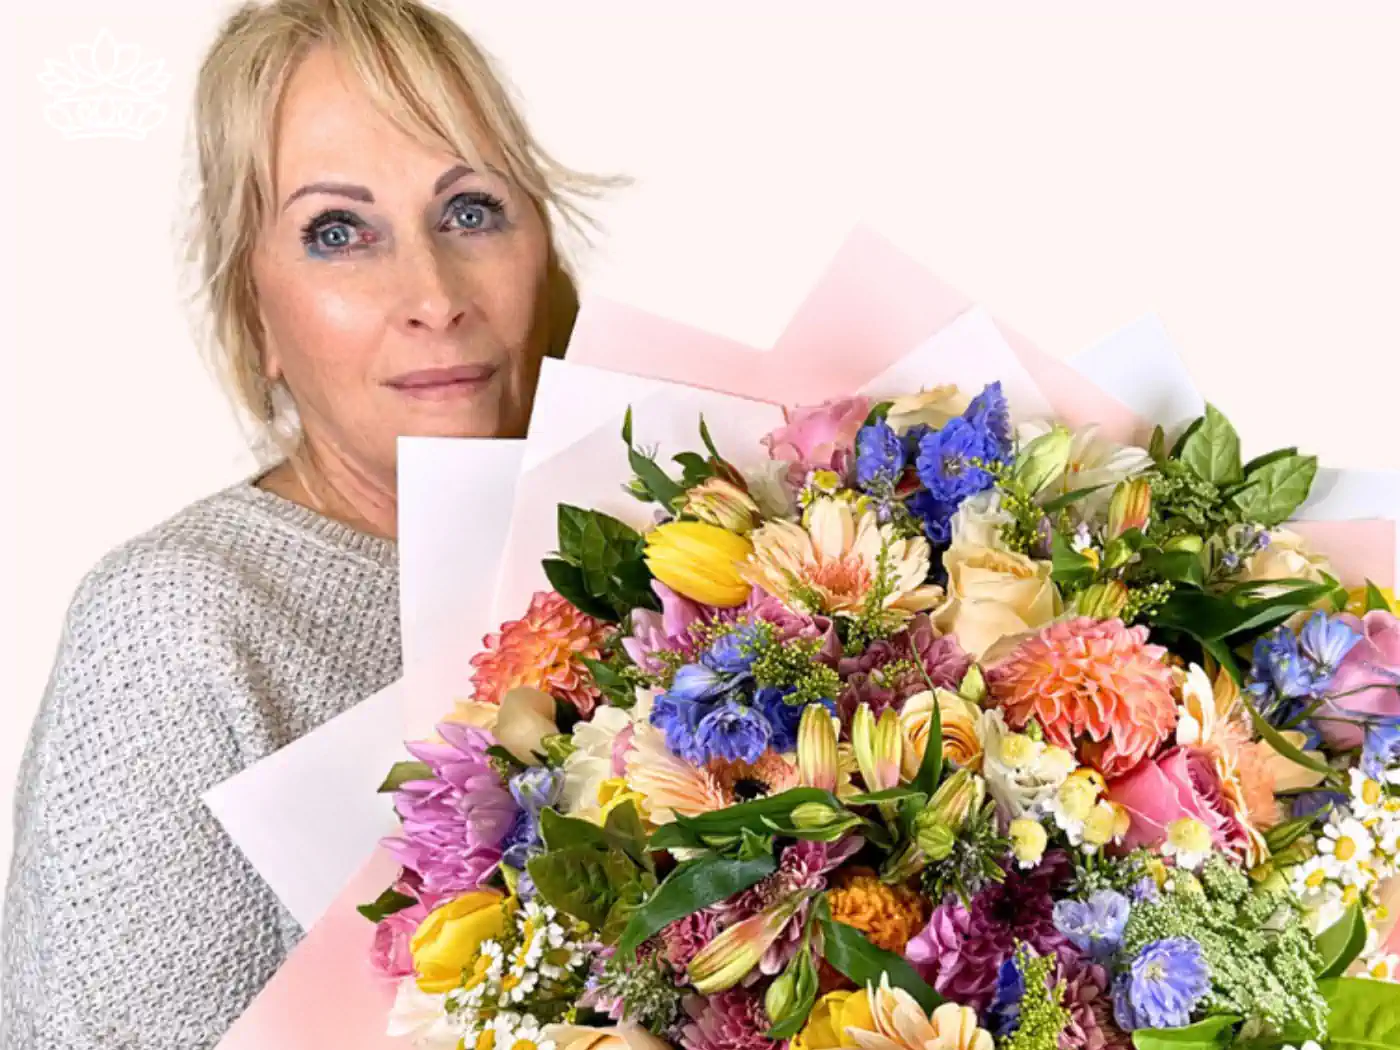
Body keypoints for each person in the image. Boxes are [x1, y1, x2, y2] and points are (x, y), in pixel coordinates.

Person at [1, 1, 613, 1046]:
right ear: (256, 316)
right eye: (338, 232)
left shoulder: (650, 556)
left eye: (469, 210)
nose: (432, 293)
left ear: (544, 262)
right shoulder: (175, 627)